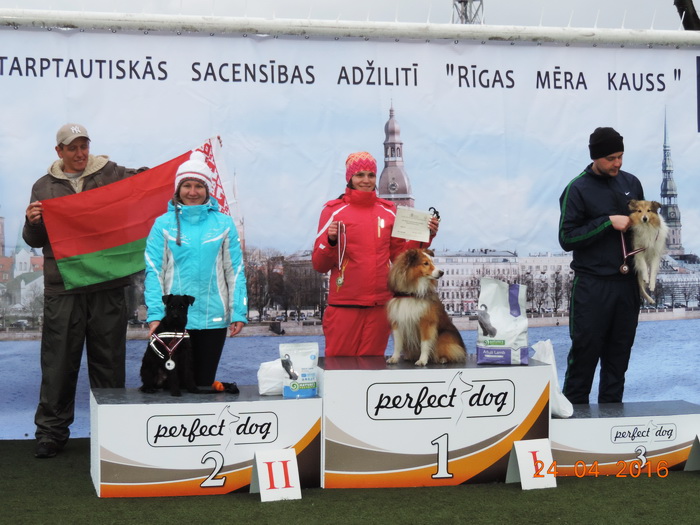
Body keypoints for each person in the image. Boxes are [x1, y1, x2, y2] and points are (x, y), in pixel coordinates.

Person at [24, 123, 146, 459]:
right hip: (63, 287)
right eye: (72, 148)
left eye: (84, 146)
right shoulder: (43, 186)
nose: (80, 154)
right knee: (58, 363)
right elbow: (35, 240)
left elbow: (142, 183)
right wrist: (32, 222)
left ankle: (112, 432)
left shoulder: (111, 172)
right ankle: (51, 433)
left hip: (107, 285)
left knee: (109, 362)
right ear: (59, 151)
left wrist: (156, 178)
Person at [312, 151, 439, 357]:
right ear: (350, 177)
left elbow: (400, 257)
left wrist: (425, 235)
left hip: (380, 304)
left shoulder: (388, 211)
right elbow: (319, 265)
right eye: (360, 175)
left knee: (372, 365)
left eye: (371, 175)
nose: (366, 180)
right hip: (344, 304)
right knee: (339, 365)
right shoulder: (332, 211)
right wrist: (331, 241)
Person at [144, 151, 247, 387]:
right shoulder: (162, 224)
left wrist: (238, 312)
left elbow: (235, 271)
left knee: (202, 385)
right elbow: (154, 272)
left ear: (207, 190)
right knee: (172, 386)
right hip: (174, 321)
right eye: (187, 185)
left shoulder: (224, 223)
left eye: (199, 186)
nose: (192, 192)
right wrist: (155, 316)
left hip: (214, 320)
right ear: (178, 189)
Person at [558, 127, 644, 405]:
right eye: (610, 158)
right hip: (592, 286)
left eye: (620, 156)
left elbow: (644, 226)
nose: (617, 163)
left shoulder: (632, 182)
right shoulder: (577, 188)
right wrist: (607, 222)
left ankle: (611, 421)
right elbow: (567, 238)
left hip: (627, 285)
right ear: (595, 157)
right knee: (584, 356)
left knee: (618, 360)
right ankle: (572, 423)